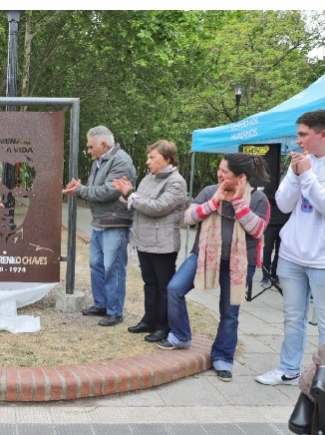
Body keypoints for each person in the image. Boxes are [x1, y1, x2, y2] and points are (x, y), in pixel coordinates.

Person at [157, 153, 270, 383]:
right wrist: (214, 202)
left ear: (241, 177)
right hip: (205, 255)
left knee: (229, 313)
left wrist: (238, 201)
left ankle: (222, 357)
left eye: (224, 171)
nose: (219, 174)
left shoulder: (258, 198)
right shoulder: (210, 191)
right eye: (219, 169)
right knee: (174, 289)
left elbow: (257, 230)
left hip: (240, 263)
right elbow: (187, 218)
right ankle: (180, 335)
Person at [256, 109, 325, 385]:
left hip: (324, 259)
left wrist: (307, 176)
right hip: (291, 255)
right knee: (292, 317)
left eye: (303, 134)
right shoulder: (300, 163)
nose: (298, 141)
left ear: (323, 134)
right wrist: (297, 175)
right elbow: (283, 204)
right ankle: (288, 368)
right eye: (298, 134)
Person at [112, 140, 187, 342]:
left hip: (163, 243)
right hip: (144, 240)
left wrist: (131, 195)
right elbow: (138, 202)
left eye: (152, 157)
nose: (148, 161)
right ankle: (149, 320)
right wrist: (126, 194)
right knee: (149, 283)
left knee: (164, 286)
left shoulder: (176, 182)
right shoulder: (148, 178)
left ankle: (164, 326)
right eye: (148, 157)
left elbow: (158, 207)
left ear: (168, 159)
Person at [62, 126, 135, 327]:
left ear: (104, 144)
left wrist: (81, 190)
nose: (88, 150)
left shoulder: (122, 161)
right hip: (99, 222)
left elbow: (108, 191)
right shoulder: (99, 162)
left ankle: (114, 311)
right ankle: (101, 304)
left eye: (90, 146)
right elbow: (97, 188)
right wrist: (82, 187)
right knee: (97, 264)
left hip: (115, 223)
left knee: (114, 267)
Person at [259, 191, 290, 288]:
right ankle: (266, 275)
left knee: (279, 251)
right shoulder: (271, 185)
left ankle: (275, 275)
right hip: (270, 223)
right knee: (267, 249)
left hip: (284, 222)